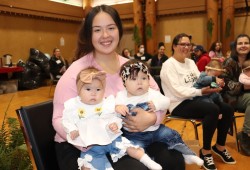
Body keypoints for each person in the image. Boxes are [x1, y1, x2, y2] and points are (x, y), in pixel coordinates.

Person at [52, 5, 185, 170]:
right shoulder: (77, 73)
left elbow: (156, 95)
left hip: (129, 137)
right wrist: (88, 140)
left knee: (174, 160)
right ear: (89, 34)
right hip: (83, 146)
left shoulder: (131, 67)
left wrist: (152, 118)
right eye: (97, 30)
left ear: (119, 30)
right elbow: (58, 119)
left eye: (111, 28)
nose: (105, 35)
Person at [160, 33, 236, 170]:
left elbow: (199, 81)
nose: (186, 47)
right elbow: (178, 91)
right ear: (174, 46)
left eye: (188, 44)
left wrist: (215, 85)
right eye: (182, 44)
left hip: (197, 98)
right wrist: (201, 92)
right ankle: (205, 152)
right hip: (179, 103)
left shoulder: (190, 62)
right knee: (212, 110)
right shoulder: (168, 65)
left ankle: (219, 146)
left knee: (227, 109)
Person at [62, 67, 162, 170]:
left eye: (98, 89)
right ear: (79, 90)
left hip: (110, 138)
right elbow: (66, 120)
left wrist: (115, 124)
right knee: (87, 166)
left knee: (130, 148)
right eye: (88, 89)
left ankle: (147, 161)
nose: (93, 93)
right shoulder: (73, 106)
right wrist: (72, 130)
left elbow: (115, 117)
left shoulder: (106, 103)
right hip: (90, 145)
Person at [115, 60, 204, 167]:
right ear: (124, 82)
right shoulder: (121, 96)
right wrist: (118, 107)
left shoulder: (151, 93)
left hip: (156, 131)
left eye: (143, 78)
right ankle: (148, 162)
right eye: (133, 79)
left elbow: (166, 101)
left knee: (172, 134)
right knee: (133, 149)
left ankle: (187, 154)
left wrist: (157, 105)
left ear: (149, 79)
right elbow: (114, 110)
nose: (139, 82)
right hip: (135, 136)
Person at [221, 33, 250, 156]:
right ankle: (246, 134)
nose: (243, 45)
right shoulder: (229, 61)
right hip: (231, 97)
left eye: (246, 43)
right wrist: (243, 86)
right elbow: (224, 83)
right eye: (240, 43)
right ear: (235, 46)